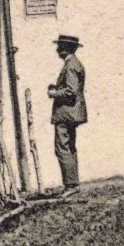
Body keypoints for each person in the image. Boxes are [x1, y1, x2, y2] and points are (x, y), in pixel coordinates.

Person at [45, 35, 88, 198]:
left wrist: (54, 93)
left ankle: (70, 185)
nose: (57, 50)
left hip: (66, 114)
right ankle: (73, 183)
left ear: (65, 49)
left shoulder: (70, 65)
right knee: (69, 147)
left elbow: (70, 91)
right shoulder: (75, 63)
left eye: (59, 47)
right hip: (72, 113)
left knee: (62, 147)